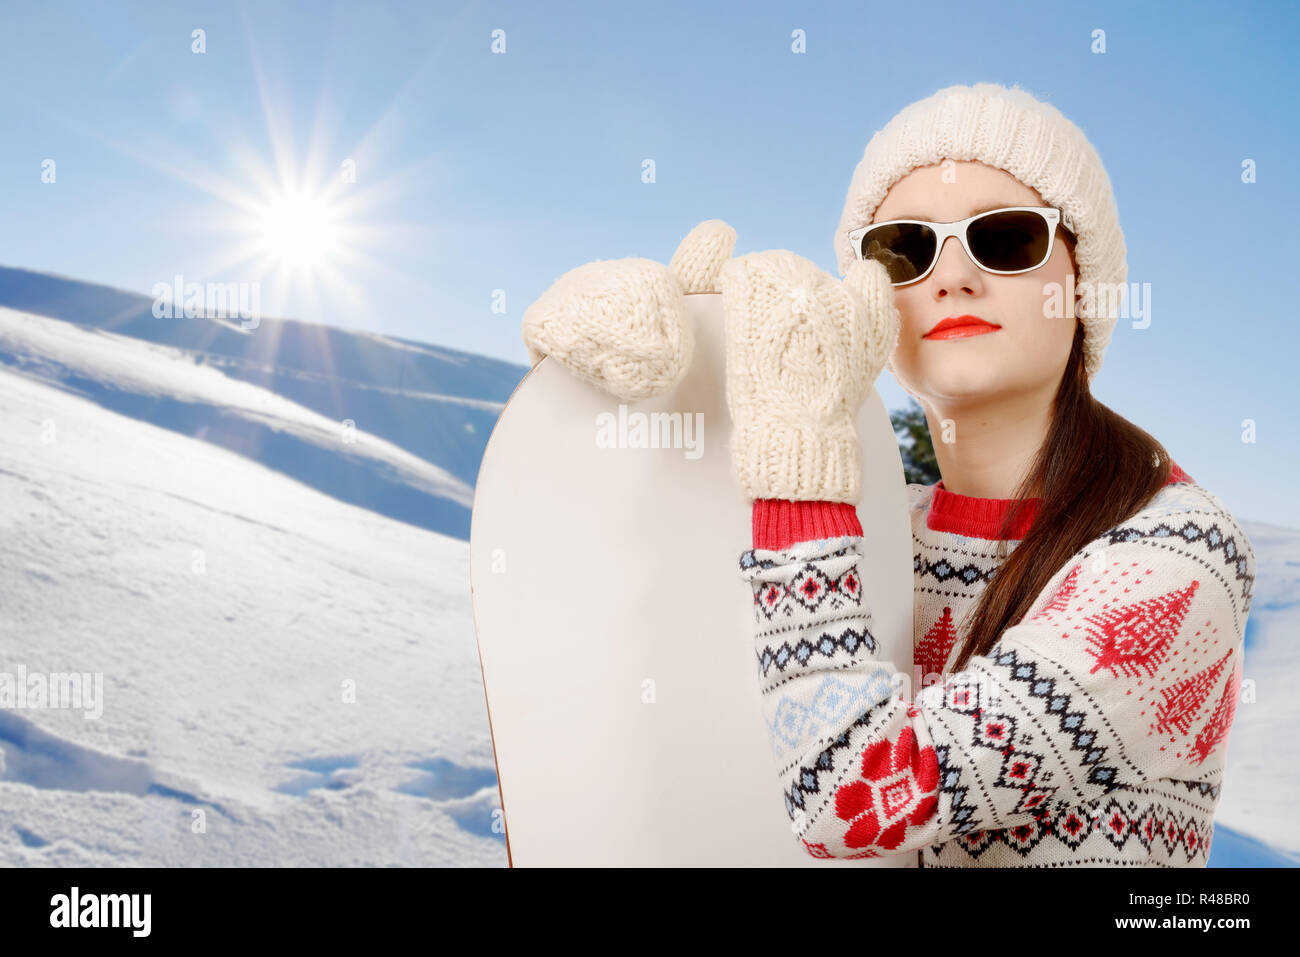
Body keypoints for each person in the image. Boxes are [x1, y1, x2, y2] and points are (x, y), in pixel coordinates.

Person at [522, 82, 1256, 867]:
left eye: (1005, 239)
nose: (952, 277)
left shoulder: (1171, 555)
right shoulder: (878, 526)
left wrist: (798, 455)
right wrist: (624, 402)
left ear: (1084, 285)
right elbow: (683, 685)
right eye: (903, 248)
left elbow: (858, 799)